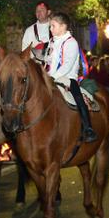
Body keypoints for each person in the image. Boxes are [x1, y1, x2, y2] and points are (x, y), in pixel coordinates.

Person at [44, 12, 96, 142]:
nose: (50, 29)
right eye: (50, 26)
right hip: (50, 76)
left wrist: (52, 77)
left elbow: (67, 65)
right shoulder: (51, 42)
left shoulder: (71, 42)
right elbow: (48, 61)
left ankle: (88, 128)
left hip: (67, 77)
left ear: (63, 26)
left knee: (77, 96)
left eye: (53, 26)